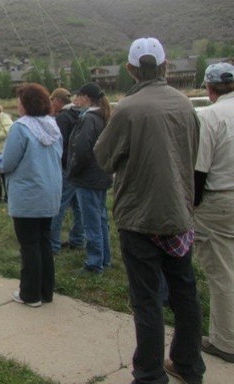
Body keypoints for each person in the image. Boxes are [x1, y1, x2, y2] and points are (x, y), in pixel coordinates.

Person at [94, 37, 205, 383]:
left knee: (147, 301)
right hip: (179, 215)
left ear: (130, 69)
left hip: (138, 219)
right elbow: (193, 153)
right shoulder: (185, 105)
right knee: (185, 293)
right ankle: (188, 365)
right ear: (165, 66)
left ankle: (150, 374)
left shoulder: (127, 108)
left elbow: (102, 157)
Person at [0, 84, 62, 308]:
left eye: (19, 100)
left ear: (27, 103)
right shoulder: (53, 126)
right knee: (44, 242)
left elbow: (7, 162)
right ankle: (46, 292)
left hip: (28, 197)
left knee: (29, 245)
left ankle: (30, 294)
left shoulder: (20, 128)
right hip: (50, 194)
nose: (16, 104)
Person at [193, 61, 234, 364]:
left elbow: (199, 171)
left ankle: (226, 341)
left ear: (209, 88)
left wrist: (190, 206)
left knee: (222, 273)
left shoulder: (211, 116)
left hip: (220, 201)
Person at [67, 82, 113, 274]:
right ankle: (105, 259)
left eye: (79, 95)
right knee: (101, 219)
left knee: (91, 221)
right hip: (100, 175)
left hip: (88, 178)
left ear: (86, 97)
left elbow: (83, 149)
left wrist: (73, 171)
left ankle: (94, 264)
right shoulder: (102, 116)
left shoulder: (89, 119)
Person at [49, 88, 85, 254]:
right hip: (78, 167)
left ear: (57, 100)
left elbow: (60, 145)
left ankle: (53, 245)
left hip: (66, 169)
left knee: (59, 206)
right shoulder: (78, 113)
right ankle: (78, 239)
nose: (50, 104)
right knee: (78, 206)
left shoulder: (62, 117)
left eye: (51, 100)